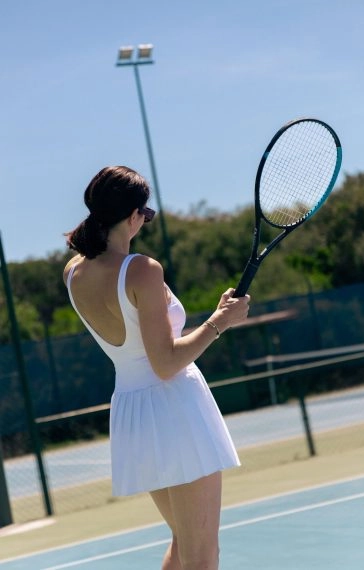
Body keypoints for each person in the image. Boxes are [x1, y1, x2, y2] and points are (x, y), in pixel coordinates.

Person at [63, 165, 250, 570]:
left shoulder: (73, 272)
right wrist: (220, 321)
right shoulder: (142, 270)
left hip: (134, 414)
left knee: (184, 546)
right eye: (145, 214)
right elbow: (165, 364)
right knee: (202, 557)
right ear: (133, 216)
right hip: (174, 410)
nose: (145, 221)